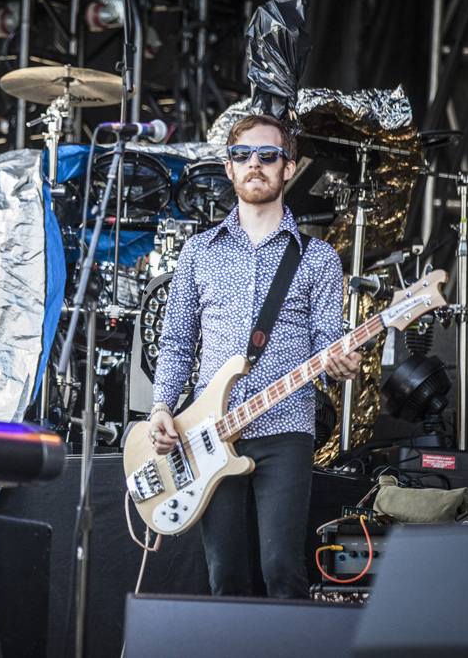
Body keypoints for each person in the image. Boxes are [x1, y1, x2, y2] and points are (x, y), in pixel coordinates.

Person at [148, 114, 362, 599]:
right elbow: (177, 341)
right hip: (209, 432)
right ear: (228, 167)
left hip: (285, 428)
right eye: (242, 155)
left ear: (288, 168)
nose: (254, 164)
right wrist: (162, 406)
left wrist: (339, 365)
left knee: (282, 567)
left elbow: (328, 343)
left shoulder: (319, 258)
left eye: (268, 155)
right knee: (224, 573)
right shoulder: (198, 252)